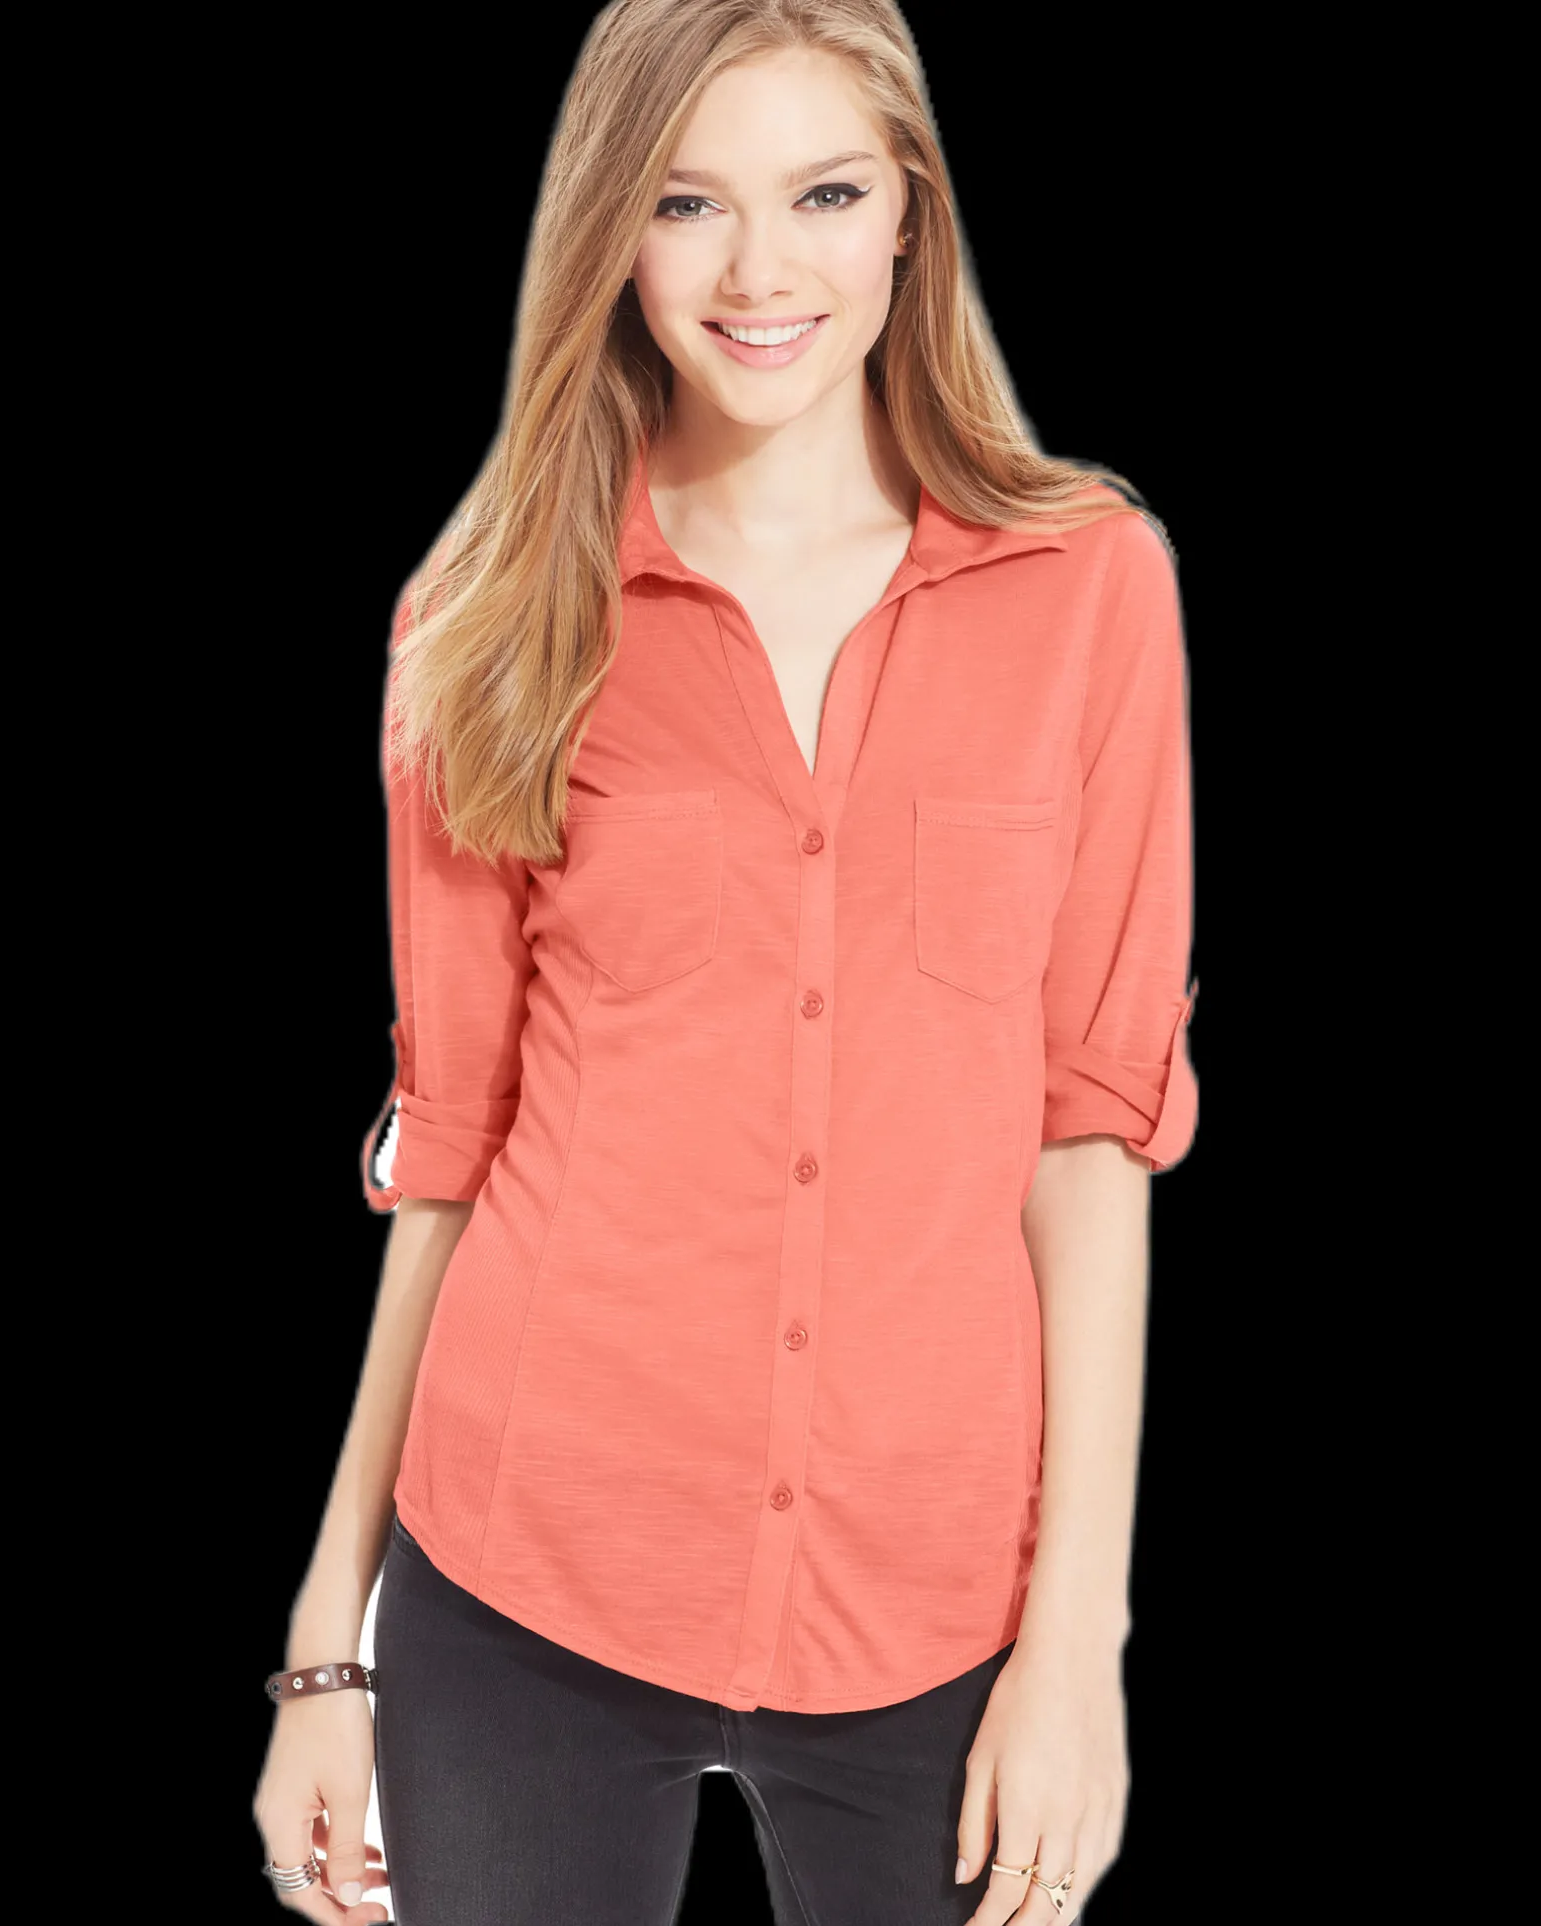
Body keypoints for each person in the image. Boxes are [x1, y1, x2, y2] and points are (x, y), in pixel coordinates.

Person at [251, 1, 1199, 1920]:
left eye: (823, 194)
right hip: (527, 1567)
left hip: (936, 1600)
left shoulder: (1084, 587)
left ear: (909, 211)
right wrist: (329, 1648)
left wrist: (1075, 1644)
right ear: (613, 229)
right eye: (686, 203)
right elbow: (452, 1148)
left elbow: (1088, 1133)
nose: (759, 272)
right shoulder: (488, 618)